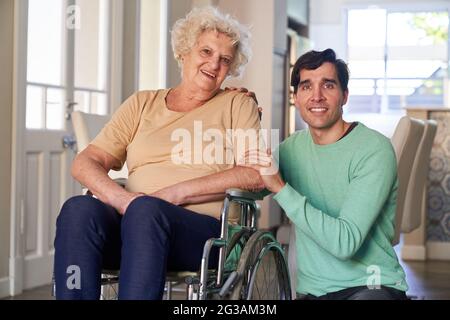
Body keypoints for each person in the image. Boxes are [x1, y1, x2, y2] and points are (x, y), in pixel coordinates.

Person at [54, 7, 264, 300]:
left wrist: (174, 195)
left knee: (147, 212)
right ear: (183, 51)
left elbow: (256, 174)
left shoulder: (237, 105)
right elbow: (84, 163)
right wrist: (123, 200)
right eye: (205, 51)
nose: (214, 64)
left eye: (224, 59)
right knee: (78, 209)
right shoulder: (142, 103)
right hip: (132, 221)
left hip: (203, 238)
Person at [243, 48, 409, 300]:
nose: (316, 96)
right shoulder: (290, 149)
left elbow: (345, 243)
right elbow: (247, 184)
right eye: (306, 86)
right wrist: (240, 114)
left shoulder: (374, 149)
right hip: (313, 291)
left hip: (371, 285)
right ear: (296, 98)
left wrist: (281, 188)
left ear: (344, 96)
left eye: (328, 85)